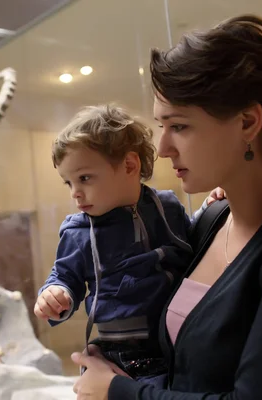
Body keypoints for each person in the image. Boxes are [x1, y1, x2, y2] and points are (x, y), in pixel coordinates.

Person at [70, 14, 262, 400]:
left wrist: (119, 392)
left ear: (247, 122)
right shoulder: (212, 217)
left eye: (180, 126)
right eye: (161, 126)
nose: (162, 149)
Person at [34, 104, 222, 384]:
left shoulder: (166, 205)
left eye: (84, 178)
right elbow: (65, 276)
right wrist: (56, 293)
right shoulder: (78, 232)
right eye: (68, 183)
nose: (76, 193)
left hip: (181, 336)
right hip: (123, 354)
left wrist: (207, 210)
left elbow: (190, 242)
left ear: (130, 166)